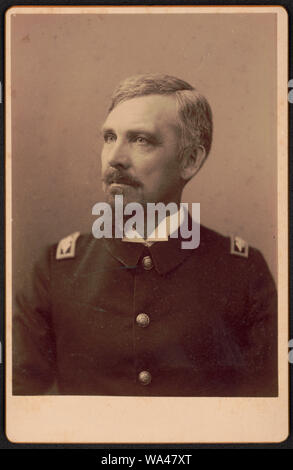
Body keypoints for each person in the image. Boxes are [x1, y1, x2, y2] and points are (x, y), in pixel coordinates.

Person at [13, 74, 278, 396]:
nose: (115, 158)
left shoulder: (242, 272)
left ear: (190, 160)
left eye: (141, 140)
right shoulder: (55, 269)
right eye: (109, 137)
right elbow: (16, 409)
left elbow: (265, 417)